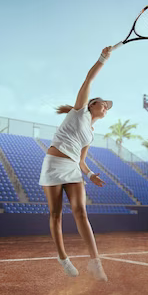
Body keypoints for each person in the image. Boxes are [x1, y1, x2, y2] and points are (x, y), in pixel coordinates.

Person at [39, 46, 114, 281]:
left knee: (81, 212)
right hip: (53, 164)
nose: (106, 108)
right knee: (56, 214)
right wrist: (103, 58)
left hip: (73, 168)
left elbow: (81, 161)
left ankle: (95, 263)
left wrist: (91, 174)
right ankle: (63, 257)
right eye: (103, 104)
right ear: (91, 104)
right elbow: (89, 78)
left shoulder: (90, 134)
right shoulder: (79, 111)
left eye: (107, 108)